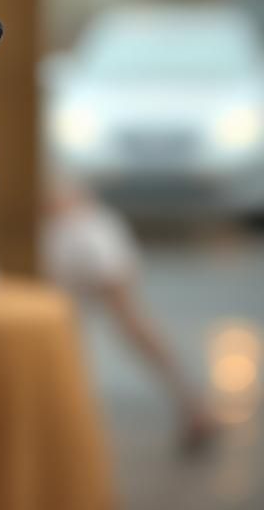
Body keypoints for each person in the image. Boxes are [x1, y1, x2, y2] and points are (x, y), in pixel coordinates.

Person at [39, 175, 222, 456]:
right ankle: (192, 402)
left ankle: (193, 403)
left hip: (67, 230)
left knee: (130, 325)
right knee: (125, 326)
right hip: (72, 227)